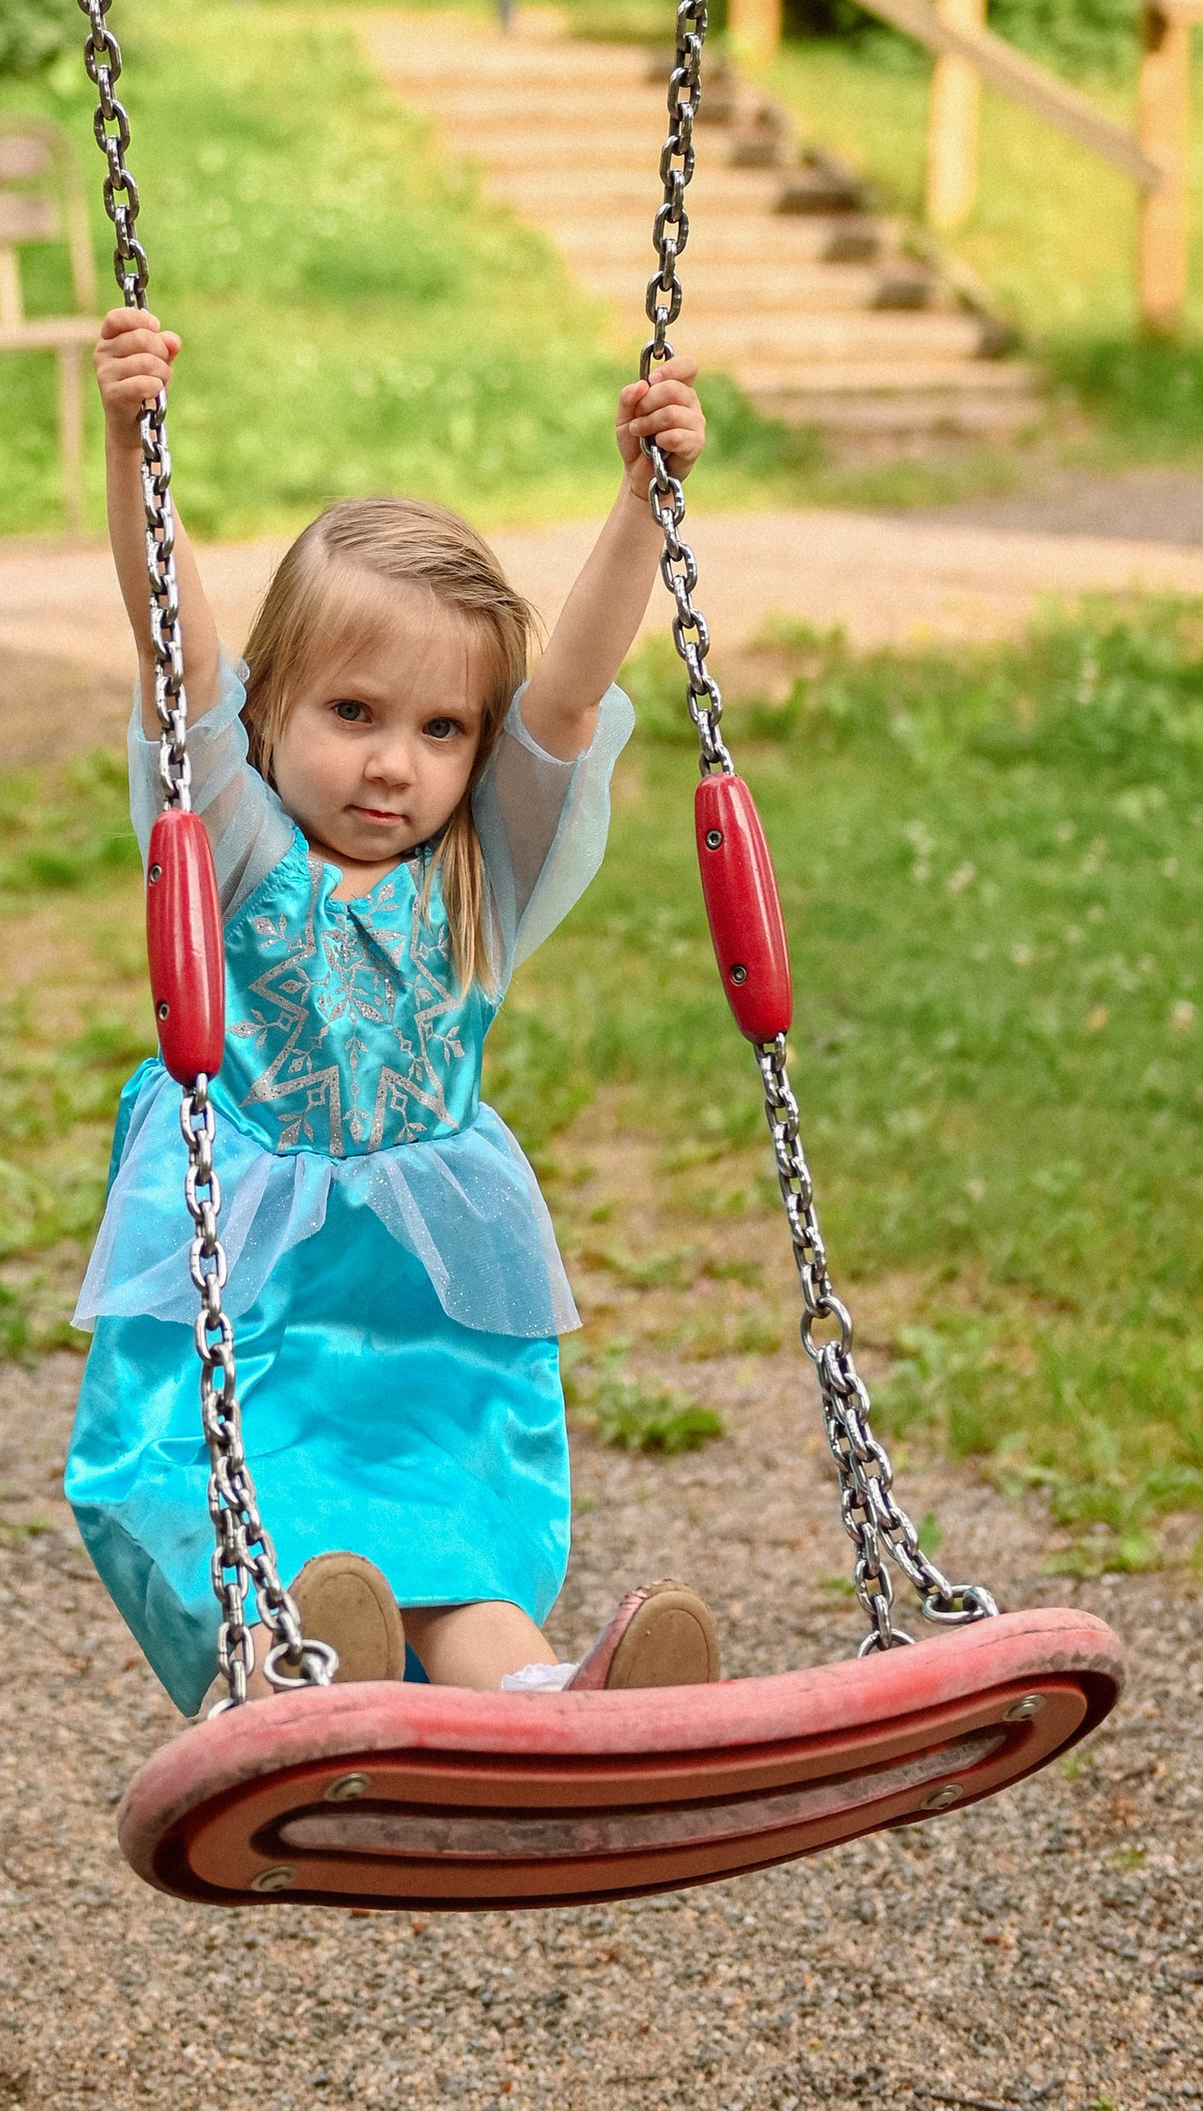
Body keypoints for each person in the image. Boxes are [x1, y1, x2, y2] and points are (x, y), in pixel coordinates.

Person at [64, 304, 722, 1713]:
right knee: (264, 1529)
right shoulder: (229, 846)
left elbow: (569, 692)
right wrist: (135, 446)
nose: (393, 766)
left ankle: (547, 1704)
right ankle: (294, 1669)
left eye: (439, 731)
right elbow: (172, 638)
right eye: (352, 712)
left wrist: (638, 504)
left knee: (454, 1556)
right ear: (268, 712)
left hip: (424, 1287)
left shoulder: (484, 878)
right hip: (250, 1281)